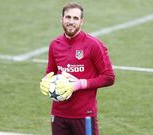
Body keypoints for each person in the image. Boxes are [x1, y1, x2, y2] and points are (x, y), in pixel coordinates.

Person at [40, 2, 115, 135]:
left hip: (84, 115)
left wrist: (78, 84)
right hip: (58, 115)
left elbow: (108, 77)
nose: (71, 21)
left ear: (81, 21)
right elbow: (50, 73)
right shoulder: (55, 45)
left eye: (75, 18)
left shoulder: (94, 45)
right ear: (61, 19)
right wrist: (45, 82)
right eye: (68, 17)